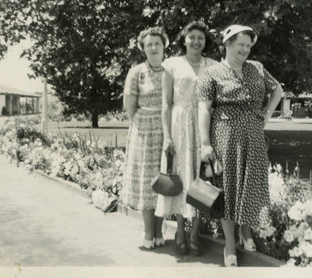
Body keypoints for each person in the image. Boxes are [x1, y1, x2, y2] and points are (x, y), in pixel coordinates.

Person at [198, 24, 283, 267]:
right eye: (240, 45)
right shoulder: (211, 74)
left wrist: (266, 115)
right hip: (225, 136)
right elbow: (203, 109)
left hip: (254, 137)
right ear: (227, 45)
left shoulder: (257, 68)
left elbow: (278, 90)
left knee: (250, 185)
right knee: (228, 188)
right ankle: (230, 245)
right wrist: (205, 144)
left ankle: (246, 233)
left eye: (248, 45)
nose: (245, 49)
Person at [155, 21, 217, 256]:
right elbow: (166, 103)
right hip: (179, 125)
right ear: (184, 39)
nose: (196, 42)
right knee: (180, 177)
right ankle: (180, 229)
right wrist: (167, 136)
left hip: (203, 127)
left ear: (205, 41)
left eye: (200, 38)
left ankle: (195, 233)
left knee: (202, 179)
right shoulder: (171, 65)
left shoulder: (213, 66)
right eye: (192, 37)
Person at [121, 27, 169, 250]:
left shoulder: (171, 70)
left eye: (157, 43)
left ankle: (160, 231)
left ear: (164, 45)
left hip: (167, 130)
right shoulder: (136, 72)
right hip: (144, 131)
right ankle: (149, 232)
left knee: (164, 180)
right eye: (148, 44)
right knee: (147, 183)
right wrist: (143, 124)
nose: (153, 47)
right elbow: (129, 106)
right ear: (143, 48)